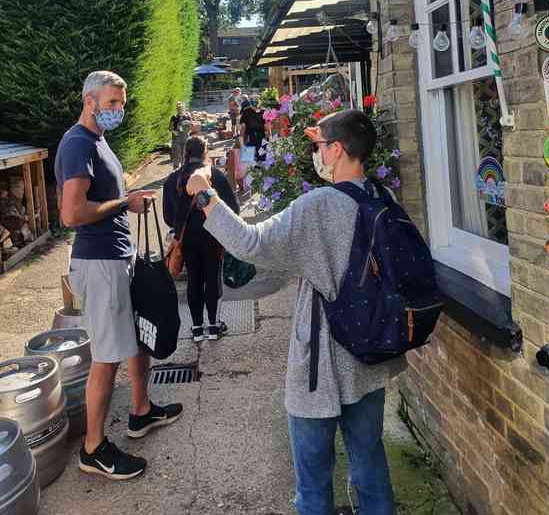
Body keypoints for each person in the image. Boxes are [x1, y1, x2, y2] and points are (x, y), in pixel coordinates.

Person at [187, 110, 403, 514]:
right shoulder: (381, 196)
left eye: (320, 147)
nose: (315, 154)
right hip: (371, 355)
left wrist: (205, 194)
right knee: (371, 468)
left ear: (337, 150)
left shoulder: (317, 205)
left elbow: (250, 244)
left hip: (321, 367)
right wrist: (325, 135)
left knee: (313, 484)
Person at [55, 70, 183, 481]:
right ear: (89, 100)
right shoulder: (77, 143)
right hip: (99, 264)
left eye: (121, 104)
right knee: (106, 359)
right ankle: (93, 448)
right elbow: (71, 214)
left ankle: (140, 411)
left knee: (137, 338)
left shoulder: (97, 141)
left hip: (117, 258)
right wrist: (121, 204)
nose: (118, 110)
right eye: (111, 103)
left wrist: (123, 201)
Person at [162, 135, 239, 341]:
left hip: (186, 239)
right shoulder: (213, 176)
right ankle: (213, 326)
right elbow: (234, 209)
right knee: (212, 278)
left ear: (185, 153)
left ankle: (197, 328)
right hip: (212, 235)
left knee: (194, 279)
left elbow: (168, 217)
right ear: (205, 152)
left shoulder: (172, 179)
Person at [169, 102, 192, 170]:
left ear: (184, 109)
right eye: (178, 108)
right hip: (176, 138)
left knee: (185, 154)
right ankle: (175, 169)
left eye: (182, 108)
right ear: (177, 109)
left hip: (185, 137)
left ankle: (184, 168)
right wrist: (174, 132)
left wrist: (188, 131)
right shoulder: (174, 117)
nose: (180, 110)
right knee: (176, 154)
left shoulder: (188, 117)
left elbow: (191, 126)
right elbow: (170, 128)